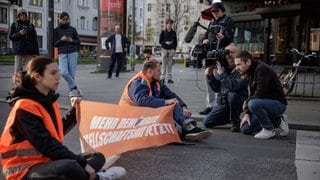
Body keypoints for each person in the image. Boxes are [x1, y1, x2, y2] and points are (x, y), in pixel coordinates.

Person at [0, 56, 126, 180]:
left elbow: (56, 130)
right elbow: (47, 144)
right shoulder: (24, 106)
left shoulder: (49, 101)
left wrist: (74, 112)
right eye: (53, 73)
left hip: (46, 160)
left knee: (98, 156)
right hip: (23, 169)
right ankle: (98, 177)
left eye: (58, 72)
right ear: (37, 76)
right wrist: (82, 164)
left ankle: (86, 175)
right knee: (70, 167)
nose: (58, 77)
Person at [119, 59, 212, 142]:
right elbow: (142, 101)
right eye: (159, 70)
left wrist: (184, 106)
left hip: (145, 115)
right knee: (172, 117)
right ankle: (187, 129)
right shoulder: (138, 82)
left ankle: (188, 128)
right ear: (150, 71)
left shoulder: (156, 81)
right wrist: (165, 102)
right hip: (131, 120)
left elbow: (171, 95)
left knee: (173, 103)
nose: (161, 73)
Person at [234, 51, 290, 139]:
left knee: (253, 104)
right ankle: (278, 121)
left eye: (239, 64)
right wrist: (247, 113)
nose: (236, 68)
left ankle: (269, 130)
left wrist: (247, 102)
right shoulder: (250, 71)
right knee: (245, 129)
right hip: (264, 104)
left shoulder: (262, 69)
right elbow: (253, 93)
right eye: (236, 65)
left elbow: (260, 93)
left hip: (278, 104)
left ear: (248, 62)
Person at [199, 2, 235, 115]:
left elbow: (230, 38)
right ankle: (210, 106)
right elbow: (207, 35)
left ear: (222, 10)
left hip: (222, 55)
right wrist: (204, 40)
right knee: (209, 80)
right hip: (211, 54)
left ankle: (220, 105)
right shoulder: (212, 21)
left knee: (220, 81)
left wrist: (223, 37)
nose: (214, 14)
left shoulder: (228, 21)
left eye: (216, 12)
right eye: (213, 12)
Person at [203, 44, 248, 132]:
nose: (229, 55)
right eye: (227, 52)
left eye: (232, 52)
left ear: (238, 55)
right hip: (223, 102)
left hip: (238, 101)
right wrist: (210, 76)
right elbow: (217, 88)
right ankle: (230, 117)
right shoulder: (222, 68)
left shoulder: (241, 68)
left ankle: (235, 121)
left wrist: (221, 73)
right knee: (207, 122)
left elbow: (234, 86)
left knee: (232, 94)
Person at [54, 12, 82, 97]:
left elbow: (78, 42)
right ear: (60, 19)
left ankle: (70, 91)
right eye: (63, 19)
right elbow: (55, 44)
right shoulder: (56, 30)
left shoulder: (72, 29)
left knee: (71, 73)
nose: (65, 21)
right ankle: (75, 86)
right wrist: (62, 39)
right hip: (62, 53)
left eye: (67, 19)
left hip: (73, 52)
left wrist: (72, 40)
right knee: (64, 72)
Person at [9, 7, 39, 73]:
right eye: (21, 15)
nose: (23, 16)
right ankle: (18, 82)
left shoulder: (31, 25)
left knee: (29, 69)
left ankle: (27, 82)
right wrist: (19, 33)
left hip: (29, 50)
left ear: (26, 16)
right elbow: (11, 37)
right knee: (17, 70)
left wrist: (36, 52)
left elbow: (35, 39)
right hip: (18, 50)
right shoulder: (14, 25)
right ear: (18, 16)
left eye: (24, 15)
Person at [159, 19, 177, 83]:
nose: (170, 25)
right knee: (163, 64)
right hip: (164, 49)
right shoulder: (163, 32)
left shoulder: (174, 32)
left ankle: (169, 78)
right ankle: (162, 78)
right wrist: (165, 42)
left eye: (171, 24)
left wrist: (174, 49)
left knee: (170, 65)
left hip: (171, 50)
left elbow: (175, 42)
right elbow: (160, 41)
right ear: (166, 24)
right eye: (168, 24)